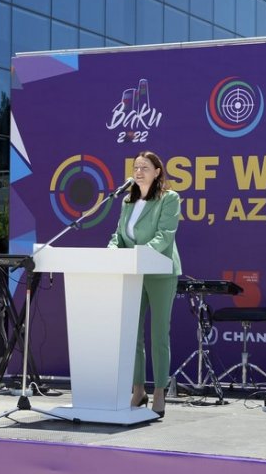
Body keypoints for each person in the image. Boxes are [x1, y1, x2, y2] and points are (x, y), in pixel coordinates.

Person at [108, 151, 182, 418]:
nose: (139, 172)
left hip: (160, 272)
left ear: (157, 171)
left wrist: (141, 255)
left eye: (145, 167)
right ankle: (138, 390)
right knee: (133, 335)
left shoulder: (169, 198)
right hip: (133, 273)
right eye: (136, 167)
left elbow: (165, 235)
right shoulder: (127, 201)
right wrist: (112, 250)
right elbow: (119, 235)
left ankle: (160, 391)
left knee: (159, 334)